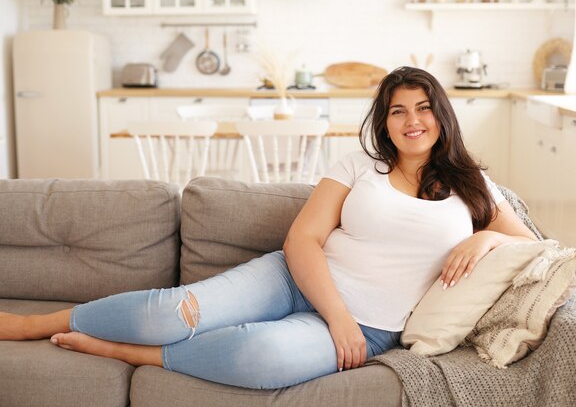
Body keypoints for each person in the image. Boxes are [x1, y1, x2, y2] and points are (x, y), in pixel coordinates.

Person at [0, 66, 536, 389]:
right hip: (291, 280)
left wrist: (486, 234)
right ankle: (31, 325)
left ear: (442, 115)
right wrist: (336, 315)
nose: (411, 120)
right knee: (171, 311)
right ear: (384, 122)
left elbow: (536, 247)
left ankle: (130, 353)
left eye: (423, 108)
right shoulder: (358, 165)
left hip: (372, 326)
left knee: (260, 355)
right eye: (397, 111)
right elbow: (301, 239)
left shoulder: (474, 187)